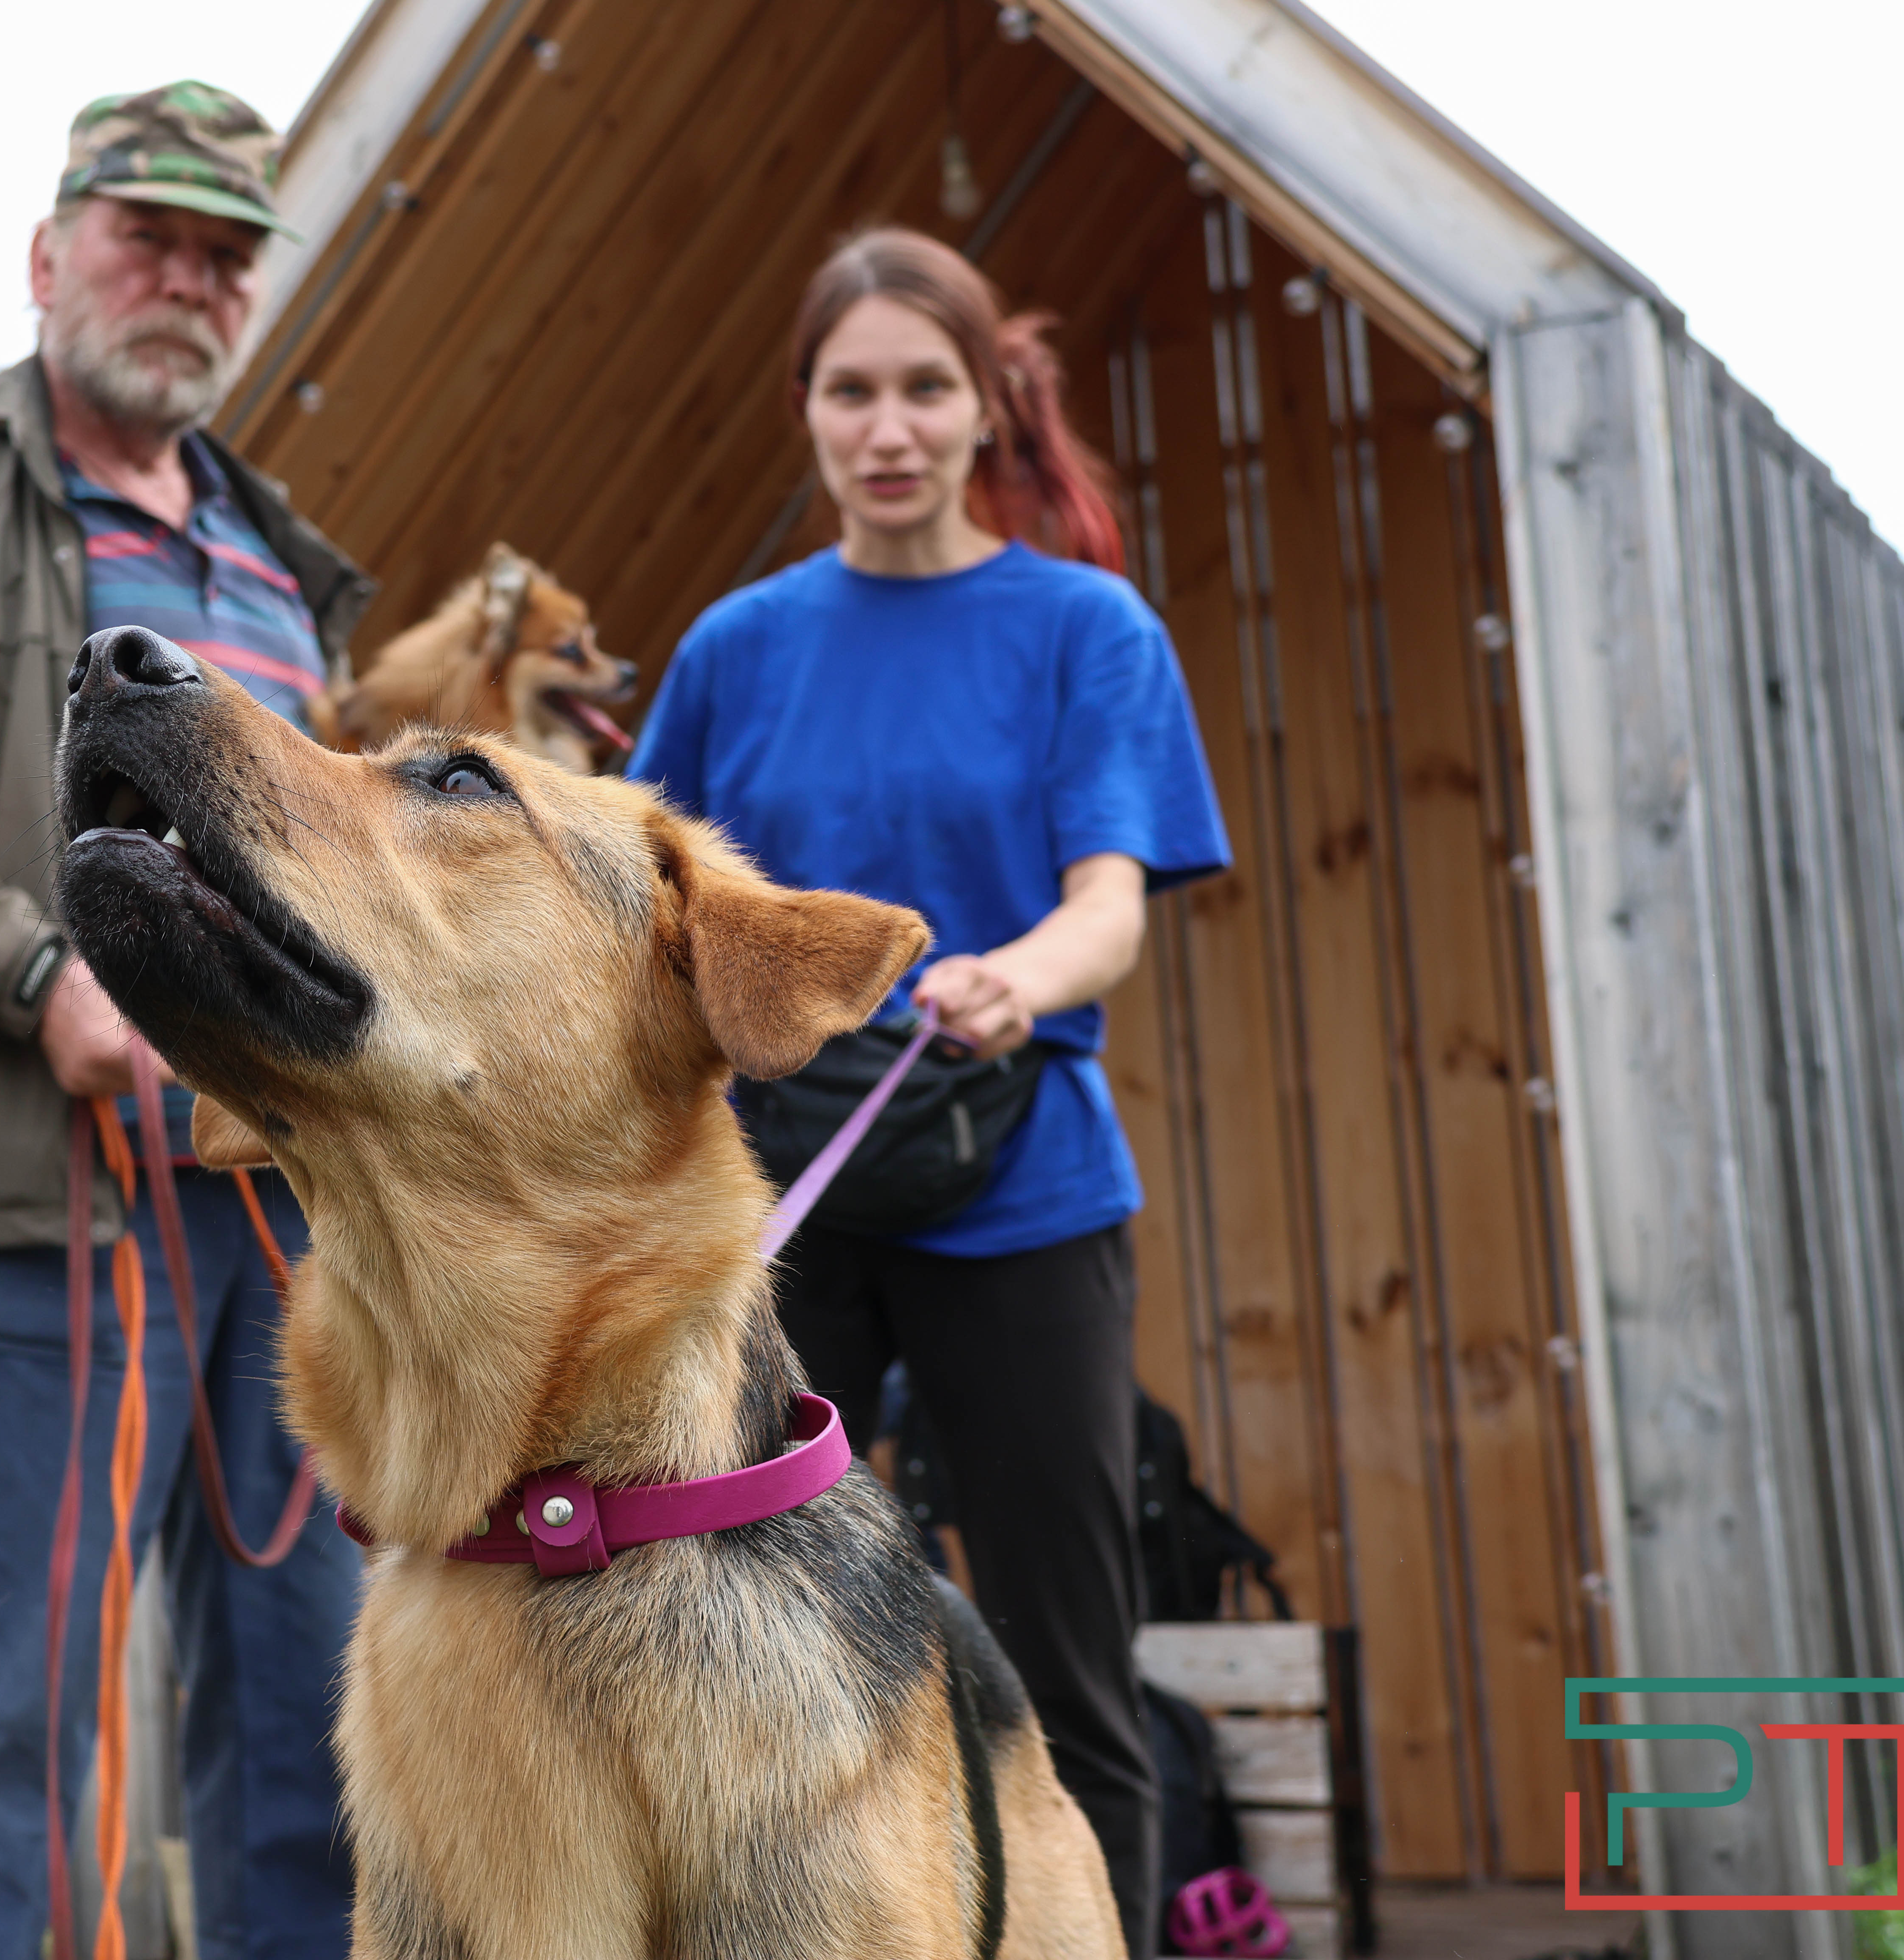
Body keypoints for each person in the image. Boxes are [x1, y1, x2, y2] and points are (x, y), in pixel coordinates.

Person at [0, 82, 373, 1960]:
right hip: (58, 1207)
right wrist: (43, 980)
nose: (186, 281)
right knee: (17, 1724)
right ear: (49, 257)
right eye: (146, 238)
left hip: (292, 1216)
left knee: (317, 1716)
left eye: (225, 256)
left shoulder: (285, 562)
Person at [628, 226, 1231, 1958]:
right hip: (783, 1193)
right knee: (742, 1633)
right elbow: (652, 919)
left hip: (1020, 1182)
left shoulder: (1085, 629)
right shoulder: (737, 646)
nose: (887, 428)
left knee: (1063, 1667)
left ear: (987, 409)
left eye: (924, 389)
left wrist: (1014, 974)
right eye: (851, 392)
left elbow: (1112, 906)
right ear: (807, 410)